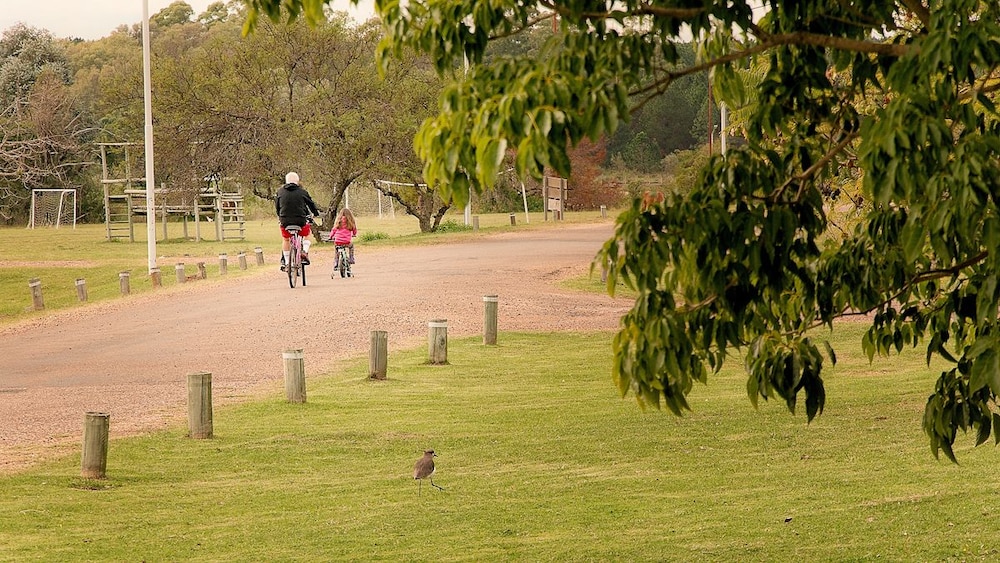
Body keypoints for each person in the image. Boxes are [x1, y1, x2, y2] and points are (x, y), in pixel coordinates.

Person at [275, 171, 321, 271]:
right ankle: (304, 250)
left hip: (285, 220)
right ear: (298, 181)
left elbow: (277, 206)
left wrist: (280, 215)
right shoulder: (302, 192)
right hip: (300, 220)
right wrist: (315, 213)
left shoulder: (280, 192)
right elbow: (311, 204)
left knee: (286, 239)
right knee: (306, 234)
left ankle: (287, 262)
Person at [330, 207, 357, 277]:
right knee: (351, 246)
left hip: (338, 241)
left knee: (337, 250)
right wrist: (354, 234)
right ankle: (351, 258)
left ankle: (336, 261)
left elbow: (334, 230)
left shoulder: (338, 221)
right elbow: (354, 229)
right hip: (347, 242)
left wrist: (331, 236)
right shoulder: (350, 221)